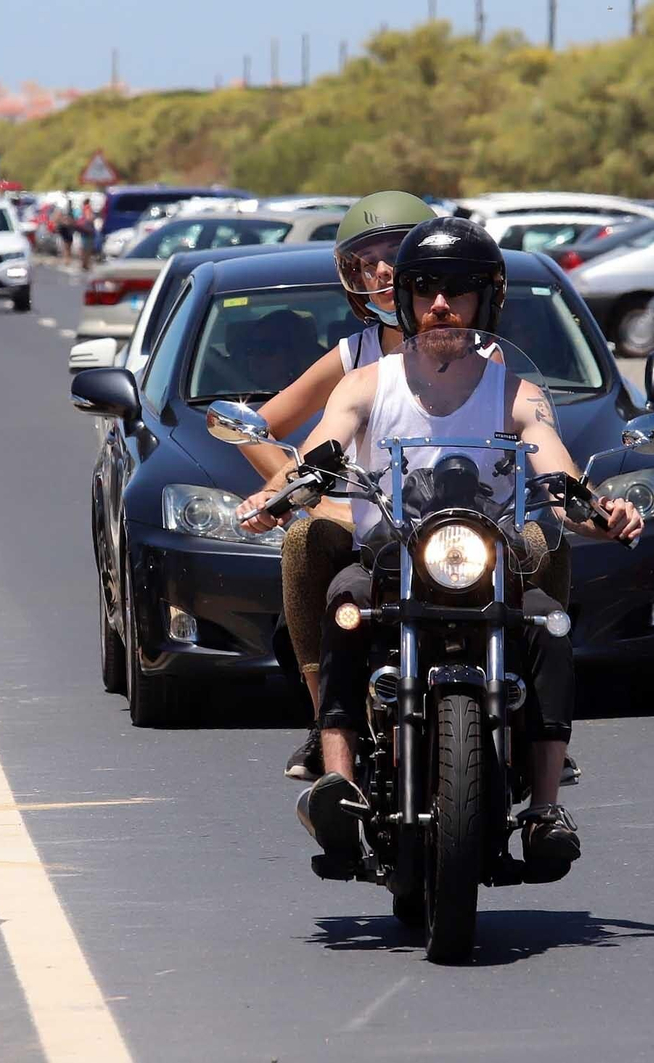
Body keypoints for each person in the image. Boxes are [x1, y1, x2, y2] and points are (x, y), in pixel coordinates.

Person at [243, 217, 644, 876]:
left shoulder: (516, 392)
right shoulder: (369, 383)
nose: (439, 305)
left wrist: (602, 510)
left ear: (486, 301)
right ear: (404, 299)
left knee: (548, 618)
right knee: (345, 602)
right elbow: (326, 441)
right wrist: (285, 489)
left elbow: (557, 467)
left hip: (483, 558)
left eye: (457, 290)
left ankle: (544, 804)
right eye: (426, 288)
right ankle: (337, 779)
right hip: (393, 555)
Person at [234, 191, 438, 780]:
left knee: (539, 540)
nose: (381, 270)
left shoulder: (478, 349)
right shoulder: (355, 355)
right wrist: (292, 490)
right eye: (364, 261)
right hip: (372, 523)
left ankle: (537, 723)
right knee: (303, 542)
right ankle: (328, 724)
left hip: (456, 524)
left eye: (394, 253)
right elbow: (260, 425)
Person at [75, 197, 96, 271]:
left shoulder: (81, 208)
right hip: (88, 230)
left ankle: (84, 264)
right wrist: (93, 218)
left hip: (83, 230)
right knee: (87, 248)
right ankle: (85, 264)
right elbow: (89, 218)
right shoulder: (87, 208)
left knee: (84, 247)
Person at [52, 199, 74, 266]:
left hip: (66, 230)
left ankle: (67, 260)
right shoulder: (63, 212)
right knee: (66, 246)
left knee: (67, 246)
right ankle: (66, 260)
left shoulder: (66, 212)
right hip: (65, 230)